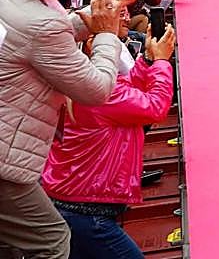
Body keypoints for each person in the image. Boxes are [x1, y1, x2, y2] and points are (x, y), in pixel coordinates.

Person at [0, 0, 137, 258]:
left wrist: (93, 15)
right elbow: (95, 90)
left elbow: (37, 37)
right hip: (6, 158)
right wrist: (107, 33)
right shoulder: (44, 26)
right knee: (52, 240)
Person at [42, 14, 176, 256]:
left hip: (75, 201)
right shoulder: (100, 92)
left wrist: (147, 60)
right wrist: (162, 62)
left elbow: (128, 87)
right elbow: (155, 106)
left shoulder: (82, 82)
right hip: (87, 210)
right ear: (93, 44)